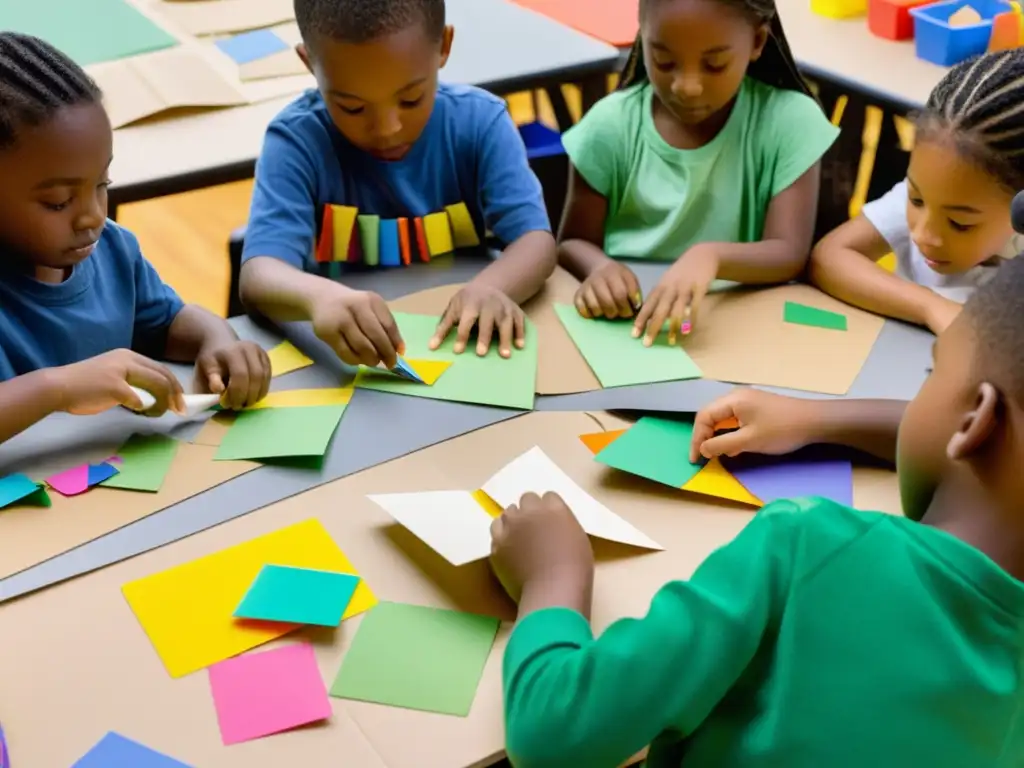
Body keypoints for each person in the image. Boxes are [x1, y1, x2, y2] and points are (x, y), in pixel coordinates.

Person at [492, 252, 1024, 765]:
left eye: (929, 375)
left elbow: (552, 734)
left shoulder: (806, 546)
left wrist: (552, 578)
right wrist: (815, 419)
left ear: (976, 420)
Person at [238, 0, 556, 365]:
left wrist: (491, 288)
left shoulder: (480, 124)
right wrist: (318, 298)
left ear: (444, 47)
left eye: (410, 99)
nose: (387, 129)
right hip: (354, 361)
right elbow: (259, 274)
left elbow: (535, 241)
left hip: (466, 348)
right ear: (310, 63)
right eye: (353, 108)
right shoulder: (297, 142)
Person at [0, 33, 271, 446]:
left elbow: (165, 322)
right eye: (58, 202)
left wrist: (215, 337)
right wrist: (59, 388)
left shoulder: (111, 251)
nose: (93, 214)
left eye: (102, 184)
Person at [557, 0, 838, 346]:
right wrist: (598, 269)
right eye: (664, 61)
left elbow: (789, 252)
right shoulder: (608, 126)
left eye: (714, 64)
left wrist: (710, 256)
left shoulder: (791, 121)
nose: (686, 86)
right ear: (642, 36)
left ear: (758, 42)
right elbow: (571, 242)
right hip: (623, 330)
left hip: (739, 333)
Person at [810, 49, 1024, 336]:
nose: (922, 234)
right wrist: (929, 307)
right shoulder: (939, 194)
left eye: (960, 224)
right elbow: (829, 256)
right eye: (916, 199)